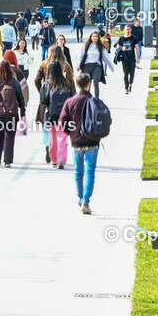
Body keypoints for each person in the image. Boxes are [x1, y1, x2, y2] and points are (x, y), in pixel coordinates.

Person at [58, 72, 102, 214]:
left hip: (76, 141)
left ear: (76, 85)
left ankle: (80, 197)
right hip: (92, 141)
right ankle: (86, 200)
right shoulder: (94, 101)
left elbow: (62, 123)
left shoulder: (70, 102)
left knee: (78, 171)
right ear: (89, 85)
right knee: (90, 171)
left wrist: (71, 133)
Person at [39, 62, 73, 170]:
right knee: (62, 138)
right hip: (65, 116)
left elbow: (43, 101)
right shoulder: (67, 83)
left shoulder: (47, 84)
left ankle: (54, 160)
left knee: (52, 139)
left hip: (51, 115)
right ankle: (62, 159)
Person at [78, 31, 116, 99]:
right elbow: (81, 56)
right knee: (87, 84)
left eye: (96, 36)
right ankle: (87, 99)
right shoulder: (86, 46)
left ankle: (96, 99)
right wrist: (78, 65)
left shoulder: (101, 47)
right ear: (91, 37)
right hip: (87, 66)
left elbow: (106, 57)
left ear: (98, 38)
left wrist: (111, 67)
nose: (95, 38)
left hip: (97, 66)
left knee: (96, 82)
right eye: (93, 36)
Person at [114, 26, 137, 94]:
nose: (128, 30)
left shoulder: (134, 38)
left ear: (131, 30)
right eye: (126, 29)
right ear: (124, 30)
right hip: (124, 58)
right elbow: (117, 48)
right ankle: (126, 88)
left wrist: (138, 58)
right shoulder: (121, 38)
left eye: (129, 29)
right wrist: (121, 49)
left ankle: (130, 84)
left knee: (132, 73)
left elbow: (137, 48)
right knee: (126, 73)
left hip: (132, 58)